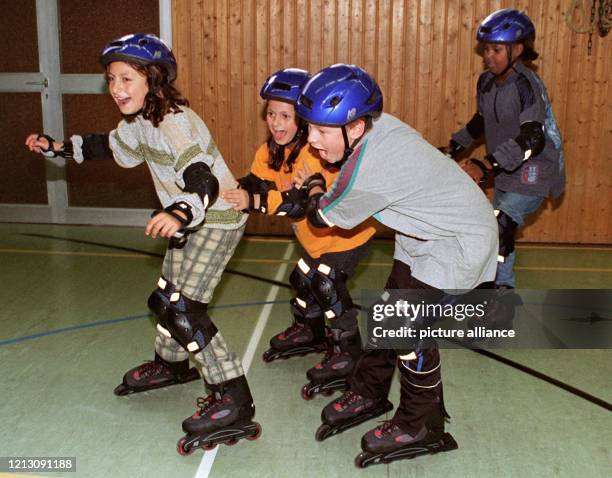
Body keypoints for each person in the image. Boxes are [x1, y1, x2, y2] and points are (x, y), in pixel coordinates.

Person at [25, 33, 260, 454]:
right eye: (112, 79)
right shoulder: (137, 123)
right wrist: (56, 147)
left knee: (185, 309)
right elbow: (104, 145)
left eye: (127, 79)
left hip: (218, 217)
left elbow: (201, 179)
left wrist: (179, 213)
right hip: (188, 219)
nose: (116, 88)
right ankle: (170, 366)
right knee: (166, 298)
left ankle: (234, 399)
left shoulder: (174, 121)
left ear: (153, 80)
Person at [292, 63, 498, 466]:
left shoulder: (373, 166)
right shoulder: (377, 127)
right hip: (424, 230)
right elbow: (343, 183)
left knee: (407, 329)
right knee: (389, 313)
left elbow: (322, 216)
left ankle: (422, 424)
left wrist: (309, 188)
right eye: (310, 127)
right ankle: (369, 391)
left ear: (354, 127)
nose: (311, 139)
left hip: (456, 240)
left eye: (321, 129)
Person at [222, 68, 376, 399]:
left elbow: (298, 205)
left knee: (326, 283)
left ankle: (347, 351)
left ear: (304, 120)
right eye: (272, 114)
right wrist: (226, 190)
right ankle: (309, 330)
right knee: (302, 278)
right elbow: (254, 182)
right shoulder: (270, 152)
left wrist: (255, 201)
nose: (277, 123)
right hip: (314, 240)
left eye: (286, 116)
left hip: (346, 236)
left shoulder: (314, 153)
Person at [441, 8, 565, 290]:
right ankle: (502, 288)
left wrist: (485, 164)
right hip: (506, 169)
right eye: (486, 49)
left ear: (518, 49)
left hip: (535, 168)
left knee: (501, 223)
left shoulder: (527, 85)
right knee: (495, 228)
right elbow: (480, 122)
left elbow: (534, 138)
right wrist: (452, 148)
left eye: (496, 50)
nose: (488, 56)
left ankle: (499, 292)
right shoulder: (485, 82)